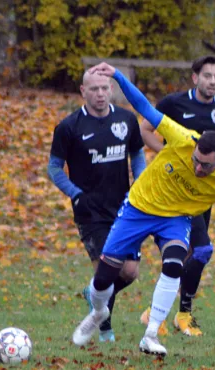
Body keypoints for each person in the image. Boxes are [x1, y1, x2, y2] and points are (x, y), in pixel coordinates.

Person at [71, 61, 215, 357]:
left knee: (173, 264)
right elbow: (144, 107)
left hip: (175, 219)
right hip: (139, 208)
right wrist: (117, 76)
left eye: (205, 165)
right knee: (104, 278)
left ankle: (151, 334)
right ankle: (97, 313)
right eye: (195, 159)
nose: (197, 167)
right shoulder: (182, 137)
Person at [140, 55, 215, 337]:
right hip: (175, 192)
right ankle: (177, 314)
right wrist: (164, 155)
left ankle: (162, 314)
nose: (213, 81)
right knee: (198, 250)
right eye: (208, 76)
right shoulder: (174, 103)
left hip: (203, 193)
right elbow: (145, 129)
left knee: (189, 254)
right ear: (195, 77)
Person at [48, 70, 146, 343]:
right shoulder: (69, 127)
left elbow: (137, 153)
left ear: (111, 90)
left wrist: (140, 181)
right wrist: (75, 193)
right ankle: (105, 330)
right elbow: (54, 168)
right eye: (94, 89)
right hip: (90, 212)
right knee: (107, 269)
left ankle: (92, 295)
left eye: (105, 88)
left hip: (126, 208)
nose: (100, 94)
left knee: (130, 272)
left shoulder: (126, 119)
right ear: (83, 91)